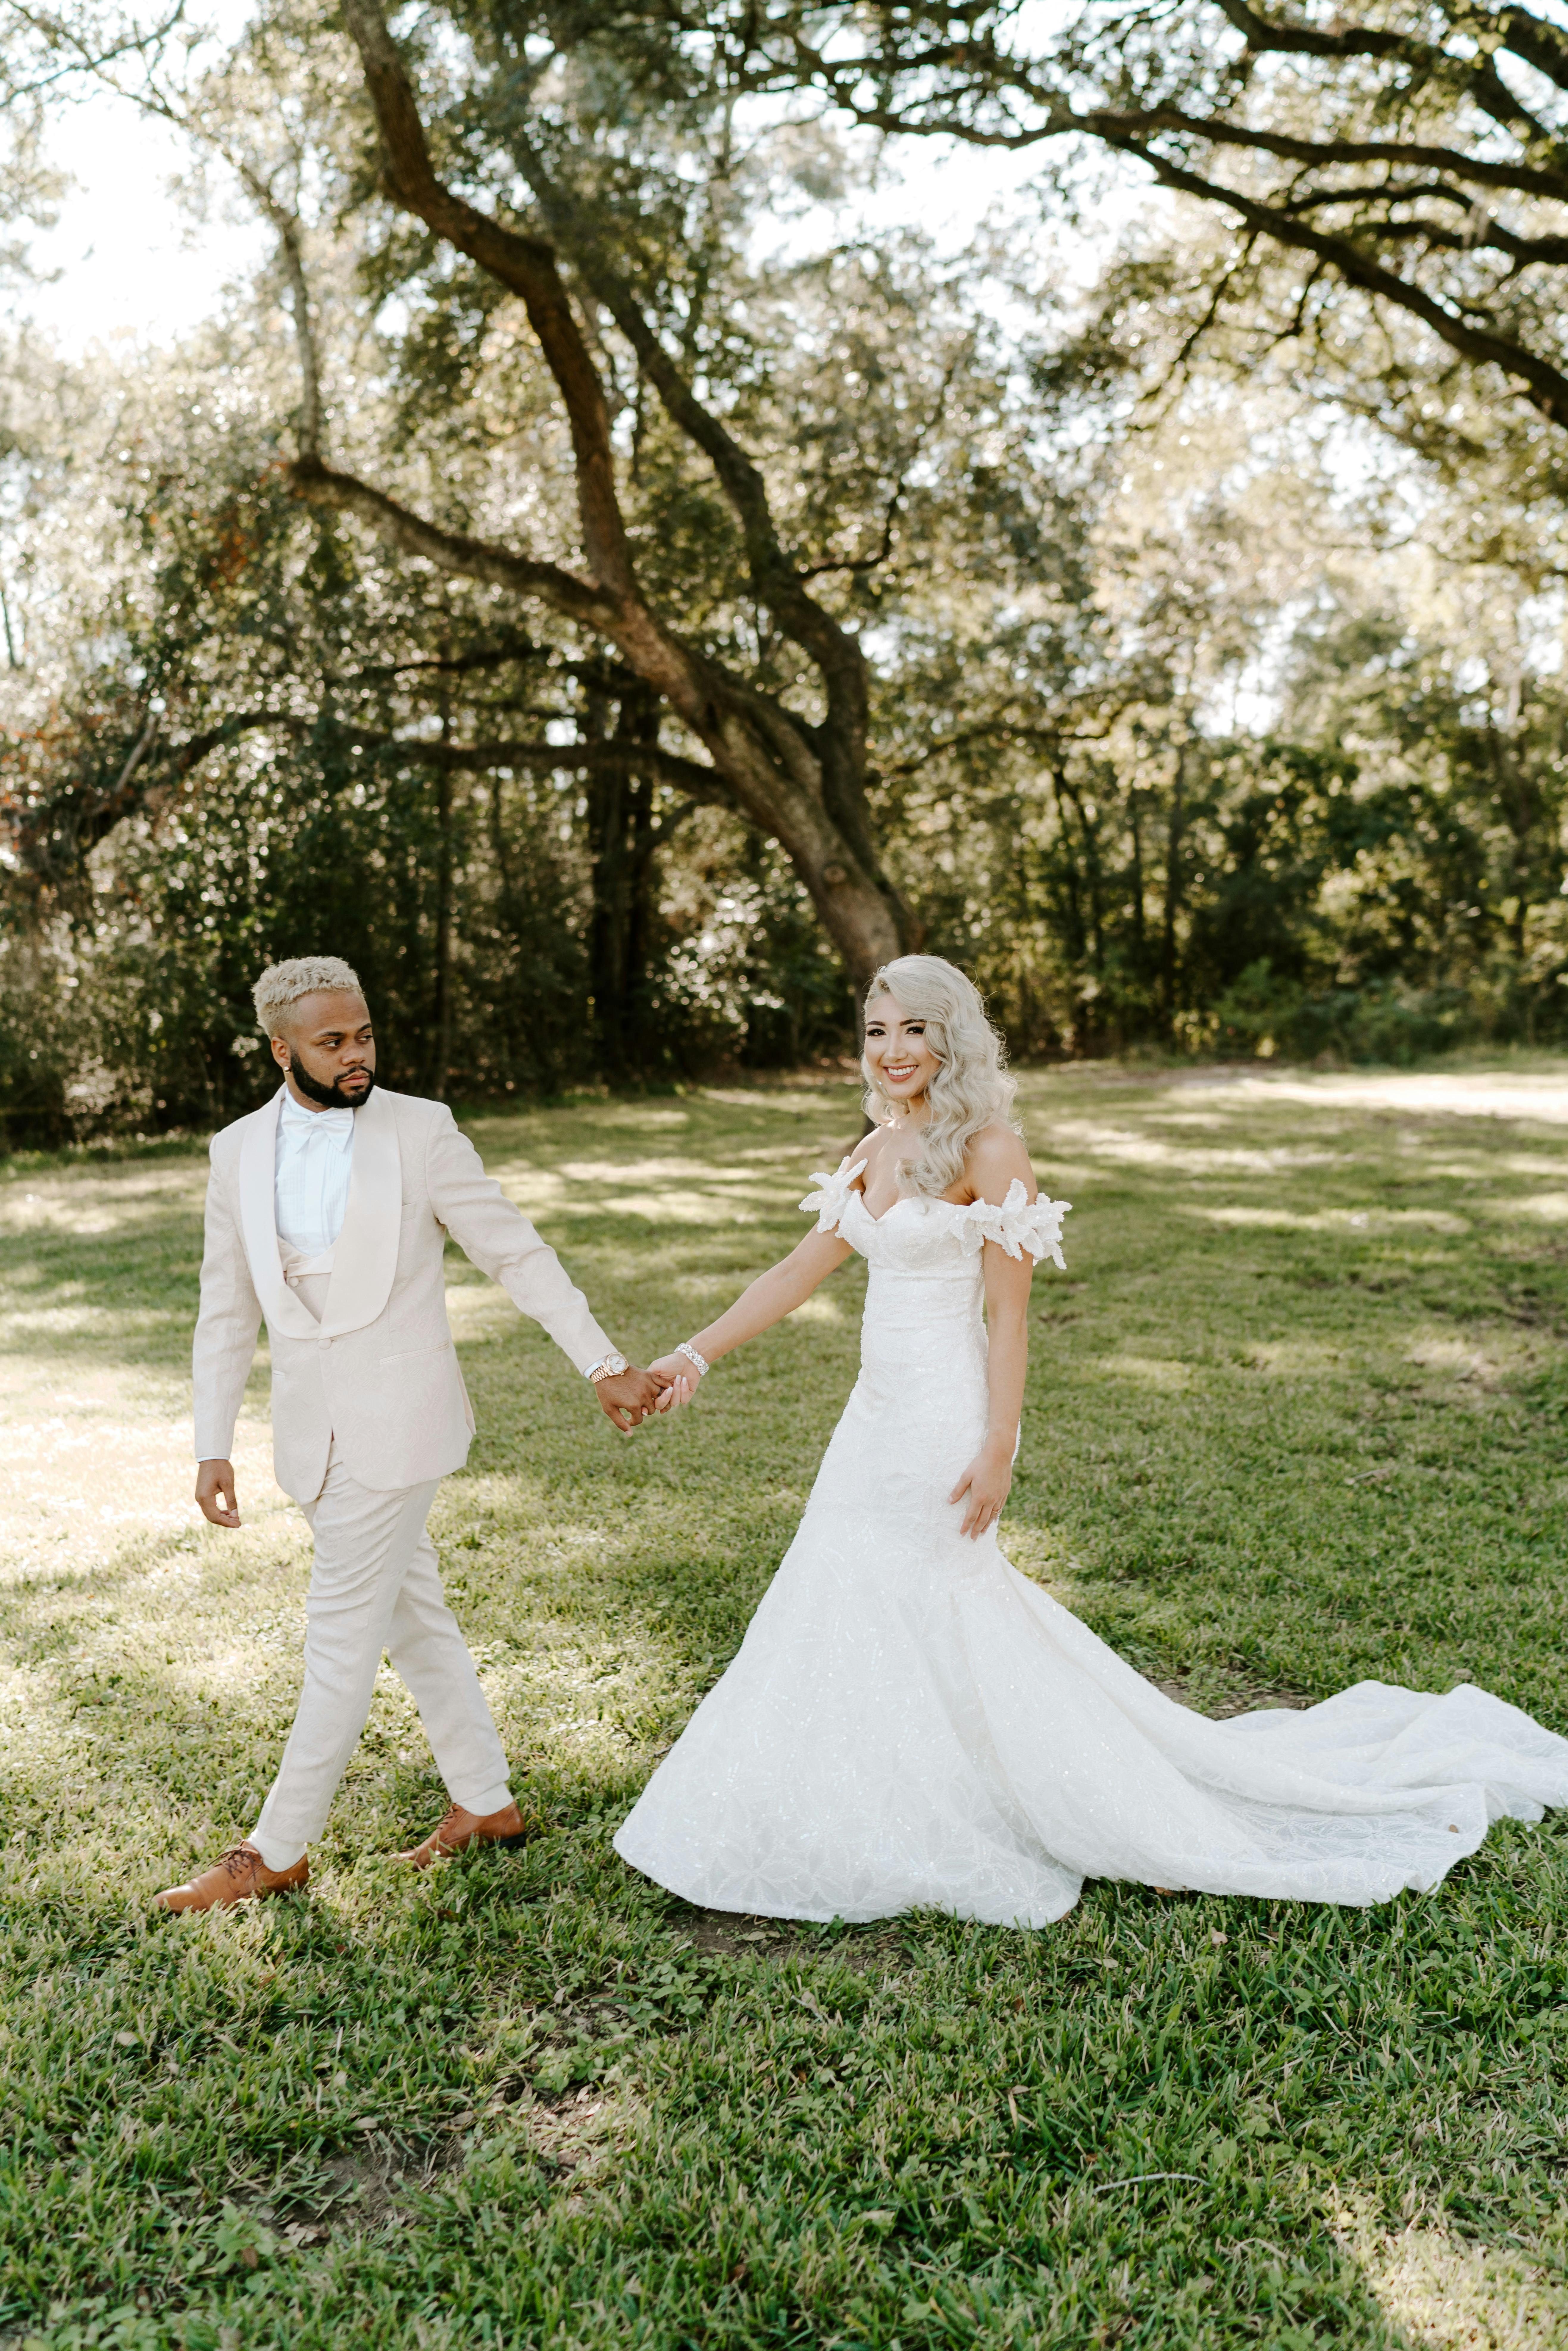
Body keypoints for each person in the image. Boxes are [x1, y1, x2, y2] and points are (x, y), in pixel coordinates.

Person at [615, 954, 1568, 1926]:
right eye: (877, 1030)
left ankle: (1082, 1802)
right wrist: (688, 1355)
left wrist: (1000, 1448)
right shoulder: (875, 1148)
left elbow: (1012, 1319)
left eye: (914, 1029)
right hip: (871, 1419)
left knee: (951, 1602)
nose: (894, 1050)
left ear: (952, 1036)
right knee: (843, 1588)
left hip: (947, 1417)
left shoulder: (991, 1150)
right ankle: (844, 1797)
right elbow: (794, 1269)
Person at [160, 955, 667, 1913]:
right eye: (332, 1041)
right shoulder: (234, 1151)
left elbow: (515, 1250)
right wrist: (211, 1442)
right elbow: (224, 1307)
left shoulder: (422, 1131)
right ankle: (486, 1801)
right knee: (412, 1611)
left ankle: (275, 1848)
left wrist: (604, 1363)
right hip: (311, 1436)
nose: (357, 1056)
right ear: (281, 1049)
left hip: (402, 1422)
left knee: (340, 1635)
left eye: (365, 1036)